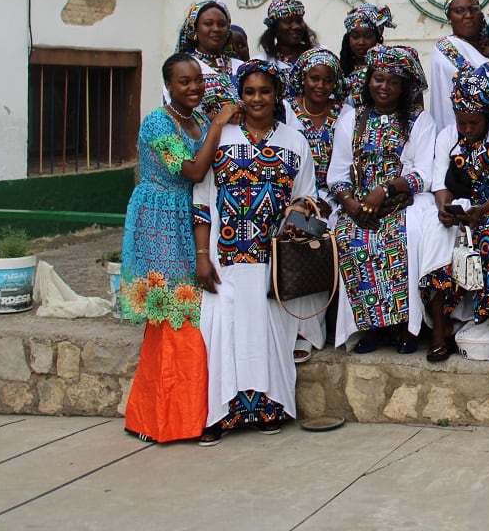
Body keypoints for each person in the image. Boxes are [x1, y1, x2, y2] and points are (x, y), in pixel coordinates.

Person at [193, 60, 317, 446]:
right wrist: (201, 254)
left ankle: (269, 408)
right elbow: (201, 201)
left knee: (268, 333)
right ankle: (220, 414)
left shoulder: (294, 141)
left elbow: (307, 196)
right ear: (239, 95)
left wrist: (299, 210)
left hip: (274, 261)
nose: (257, 98)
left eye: (265, 91)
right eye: (249, 92)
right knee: (222, 330)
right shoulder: (222, 139)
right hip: (225, 258)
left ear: (276, 94)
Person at [120, 54, 237, 443]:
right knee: (174, 315)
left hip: (191, 218)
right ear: (168, 85)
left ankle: (180, 414)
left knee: (190, 315)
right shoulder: (159, 121)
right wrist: (220, 122)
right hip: (160, 220)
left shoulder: (200, 120)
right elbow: (193, 170)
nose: (194, 88)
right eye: (184, 82)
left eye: (198, 82)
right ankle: (163, 419)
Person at [329, 45, 436, 354]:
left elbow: (423, 174)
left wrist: (385, 190)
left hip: (402, 201)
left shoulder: (419, 120)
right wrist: (351, 205)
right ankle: (372, 327)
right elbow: (337, 173)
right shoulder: (351, 120)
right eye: (378, 79)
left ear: (404, 86)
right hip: (359, 205)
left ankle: (405, 327)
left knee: (401, 237)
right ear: (368, 81)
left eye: (393, 81)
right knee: (350, 238)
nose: (384, 87)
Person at [415, 62, 489, 361]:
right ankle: (439, 327)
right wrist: (446, 209)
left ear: (487, 115)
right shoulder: (448, 136)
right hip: (461, 208)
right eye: (462, 123)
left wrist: (481, 210)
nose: (467, 129)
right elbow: (439, 180)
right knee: (436, 233)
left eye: (474, 123)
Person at [282, 48, 354, 362]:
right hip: (294, 195)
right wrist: (304, 200)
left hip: (337, 195)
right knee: (299, 238)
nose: (320, 86)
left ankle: (317, 330)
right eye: (314, 78)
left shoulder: (345, 111)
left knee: (333, 237)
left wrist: (333, 197)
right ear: (303, 78)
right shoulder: (285, 110)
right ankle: (295, 330)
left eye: (327, 80)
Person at [430, 0, 489, 130]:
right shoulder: (445, 48)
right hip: (459, 134)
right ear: (449, 17)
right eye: (460, 11)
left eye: (474, 9)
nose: (468, 15)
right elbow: (478, 84)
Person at [173, 0, 245, 114]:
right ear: (194, 30)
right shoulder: (182, 68)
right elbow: (177, 115)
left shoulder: (242, 67)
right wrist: (220, 118)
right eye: (208, 24)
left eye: (221, 24)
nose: (216, 29)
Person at [339, 4, 395, 104]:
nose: (361, 42)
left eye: (368, 36)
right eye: (355, 36)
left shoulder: (389, 68)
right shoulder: (339, 70)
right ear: (348, 39)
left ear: (378, 38)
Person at [258, 0, 318, 88]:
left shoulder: (318, 55)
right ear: (275, 28)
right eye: (288, 22)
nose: (296, 27)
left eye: (299, 21)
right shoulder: (262, 63)